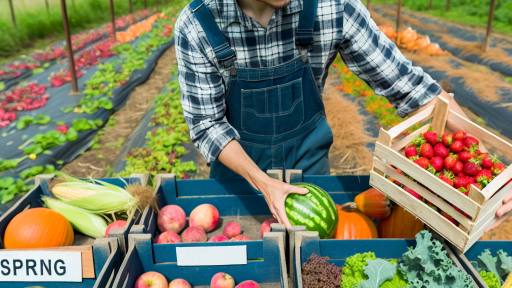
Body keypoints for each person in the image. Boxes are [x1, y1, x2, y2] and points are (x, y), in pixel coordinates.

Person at [174, 0, 512, 230]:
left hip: (309, 174)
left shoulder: (333, 8)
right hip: (238, 180)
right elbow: (207, 125)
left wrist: (490, 166)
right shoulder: (198, 23)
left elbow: (412, 88)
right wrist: (263, 183)